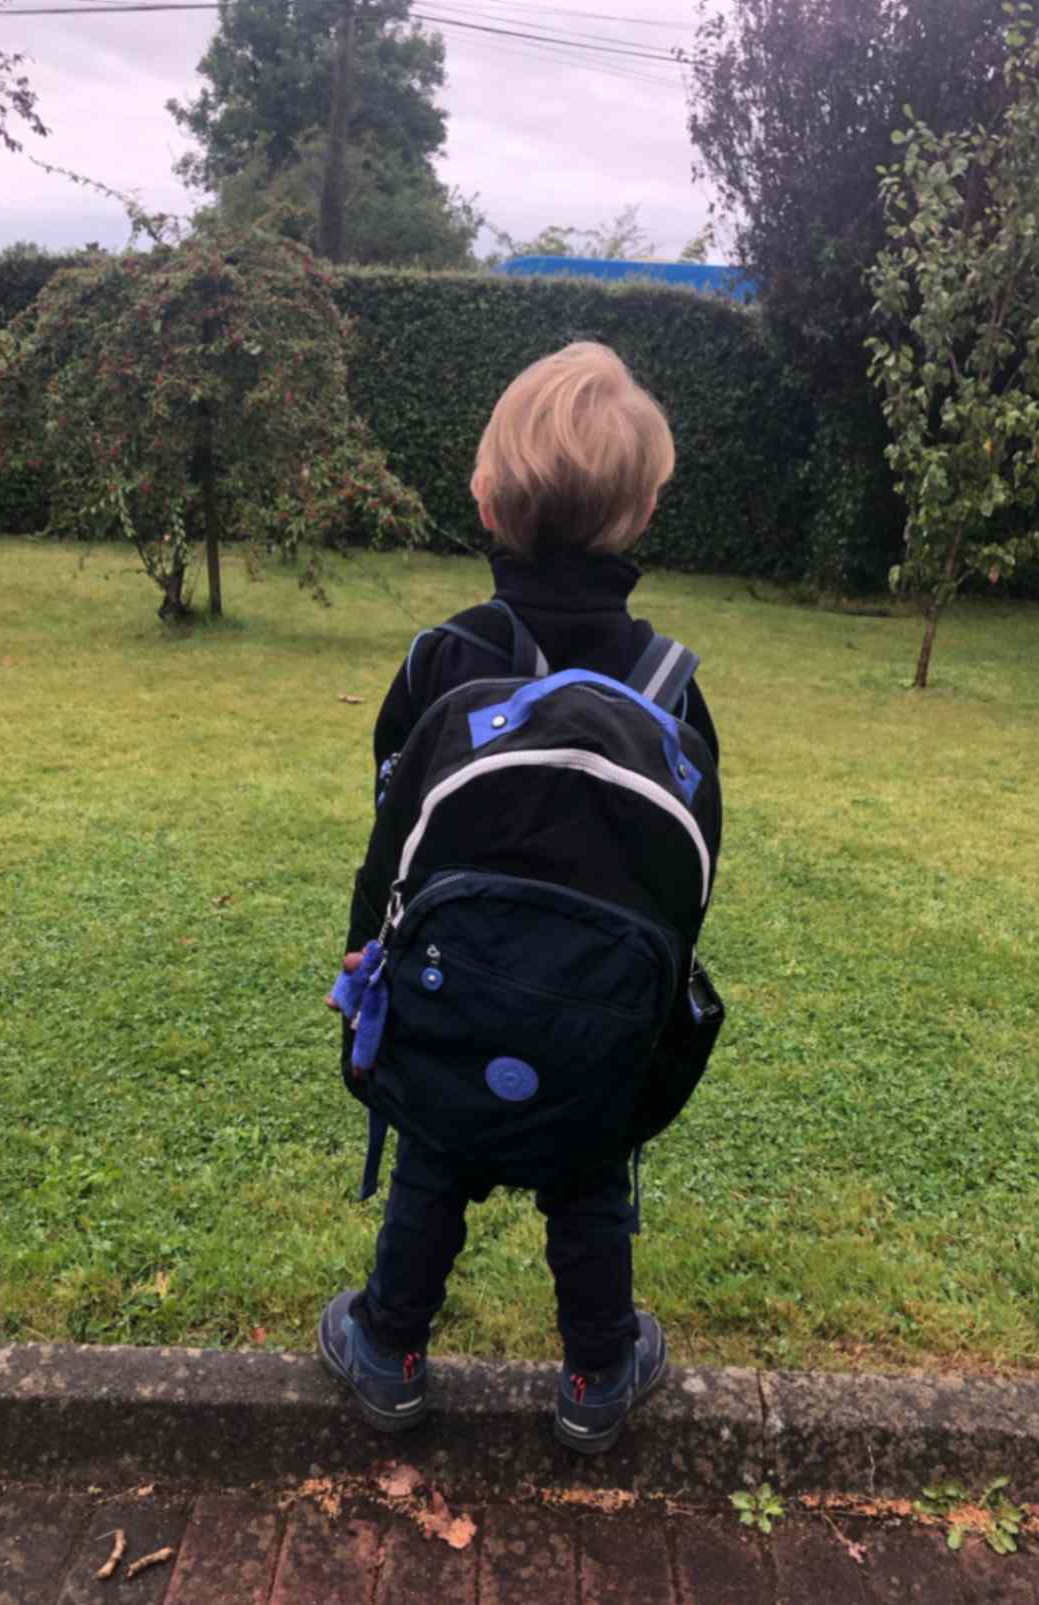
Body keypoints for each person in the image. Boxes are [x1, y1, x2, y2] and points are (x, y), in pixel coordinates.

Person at [318, 341, 721, 1453]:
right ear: (642, 514)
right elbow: (684, 890)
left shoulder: (439, 662)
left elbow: (391, 833)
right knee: (589, 1183)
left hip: (448, 999)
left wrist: (363, 958)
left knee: (431, 1159)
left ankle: (389, 1350)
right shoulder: (671, 689)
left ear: (484, 498)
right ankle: (598, 1373)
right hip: (600, 1019)